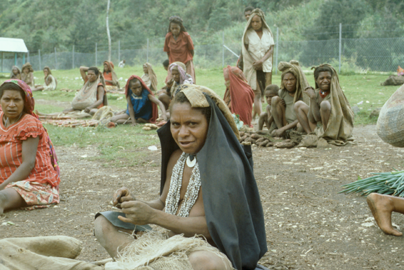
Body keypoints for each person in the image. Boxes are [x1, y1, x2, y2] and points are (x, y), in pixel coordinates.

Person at [94, 84, 267, 270]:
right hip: (167, 242)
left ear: (211, 124)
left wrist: (153, 216)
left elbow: (217, 226)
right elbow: (163, 203)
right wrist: (133, 204)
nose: (182, 133)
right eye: (176, 124)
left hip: (205, 251)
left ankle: (140, 264)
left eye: (192, 124)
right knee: (103, 222)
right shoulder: (178, 158)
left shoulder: (225, 164)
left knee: (208, 264)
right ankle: (149, 264)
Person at [0, 80, 60, 214]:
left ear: (25, 102)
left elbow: (28, 164)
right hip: (4, 178)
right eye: (6, 99)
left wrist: (2, 187)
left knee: (1, 198)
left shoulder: (29, 125)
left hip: (31, 182)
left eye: (17, 100)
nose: (11, 105)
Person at [294, 64, 354, 143]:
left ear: (332, 79)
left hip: (332, 129)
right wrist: (312, 98)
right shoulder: (316, 93)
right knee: (298, 105)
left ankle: (326, 137)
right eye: (321, 78)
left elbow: (318, 117)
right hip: (317, 127)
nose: (325, 81)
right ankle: (311, 134)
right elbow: (312, 119)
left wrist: (313, 98)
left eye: (328, 78)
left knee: (324, 104)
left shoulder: (335, 95)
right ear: (316, 80)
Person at [242, 9, 275, 120]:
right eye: (253, 22)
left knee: (268, 92)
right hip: (252, 66)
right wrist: (254, 62)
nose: (255, 24)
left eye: (257, 21)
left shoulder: (267, 32)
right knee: (257, 93)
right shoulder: (248, 33)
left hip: (266, 65)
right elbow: (245, 50)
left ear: (262, 21)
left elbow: (271, 49)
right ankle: (262, 117)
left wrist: (262, 61)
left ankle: (270, 116)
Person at [271, 60, 309, 138]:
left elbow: (306, 116)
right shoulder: (282, 93)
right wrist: (281, 128)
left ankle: (288, 133)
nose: (289, 83)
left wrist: (284, 128)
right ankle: (280, 131)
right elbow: (275, 108)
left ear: (297, 80)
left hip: (298, 124)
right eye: (286, 80)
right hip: (286, 122)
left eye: (292, 79)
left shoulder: (304, 94)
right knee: (274, 99)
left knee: (300, 126)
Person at [164, 16, 196, 83]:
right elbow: (167, 51)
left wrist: (190, 60)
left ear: (180, 27)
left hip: (186, 62)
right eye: (173, 28)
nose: (175, 30)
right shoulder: (168, 37)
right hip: (174, 63)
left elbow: (191, 49)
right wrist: (171, 61)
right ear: (170, 28)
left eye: (176, 28)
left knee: (188, 82)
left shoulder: (186, 36)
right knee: (171, 83)